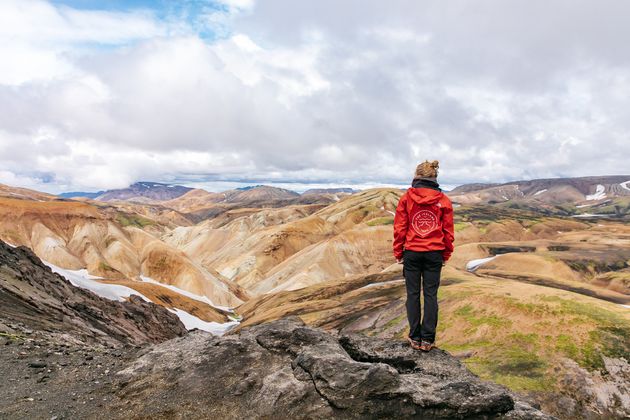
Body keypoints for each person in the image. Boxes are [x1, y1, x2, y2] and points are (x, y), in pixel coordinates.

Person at [393, 160, 454, 352]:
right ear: (434, 178)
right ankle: (427, 340)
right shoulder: (443, 200)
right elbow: (448, 231)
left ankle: (414, 337)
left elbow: (400, 228)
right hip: (434, 253)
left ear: (416, 177)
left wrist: (398, 252)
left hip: (412, 252)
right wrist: (446, 254)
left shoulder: (406, 198)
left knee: (412, 295)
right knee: (430, 296)